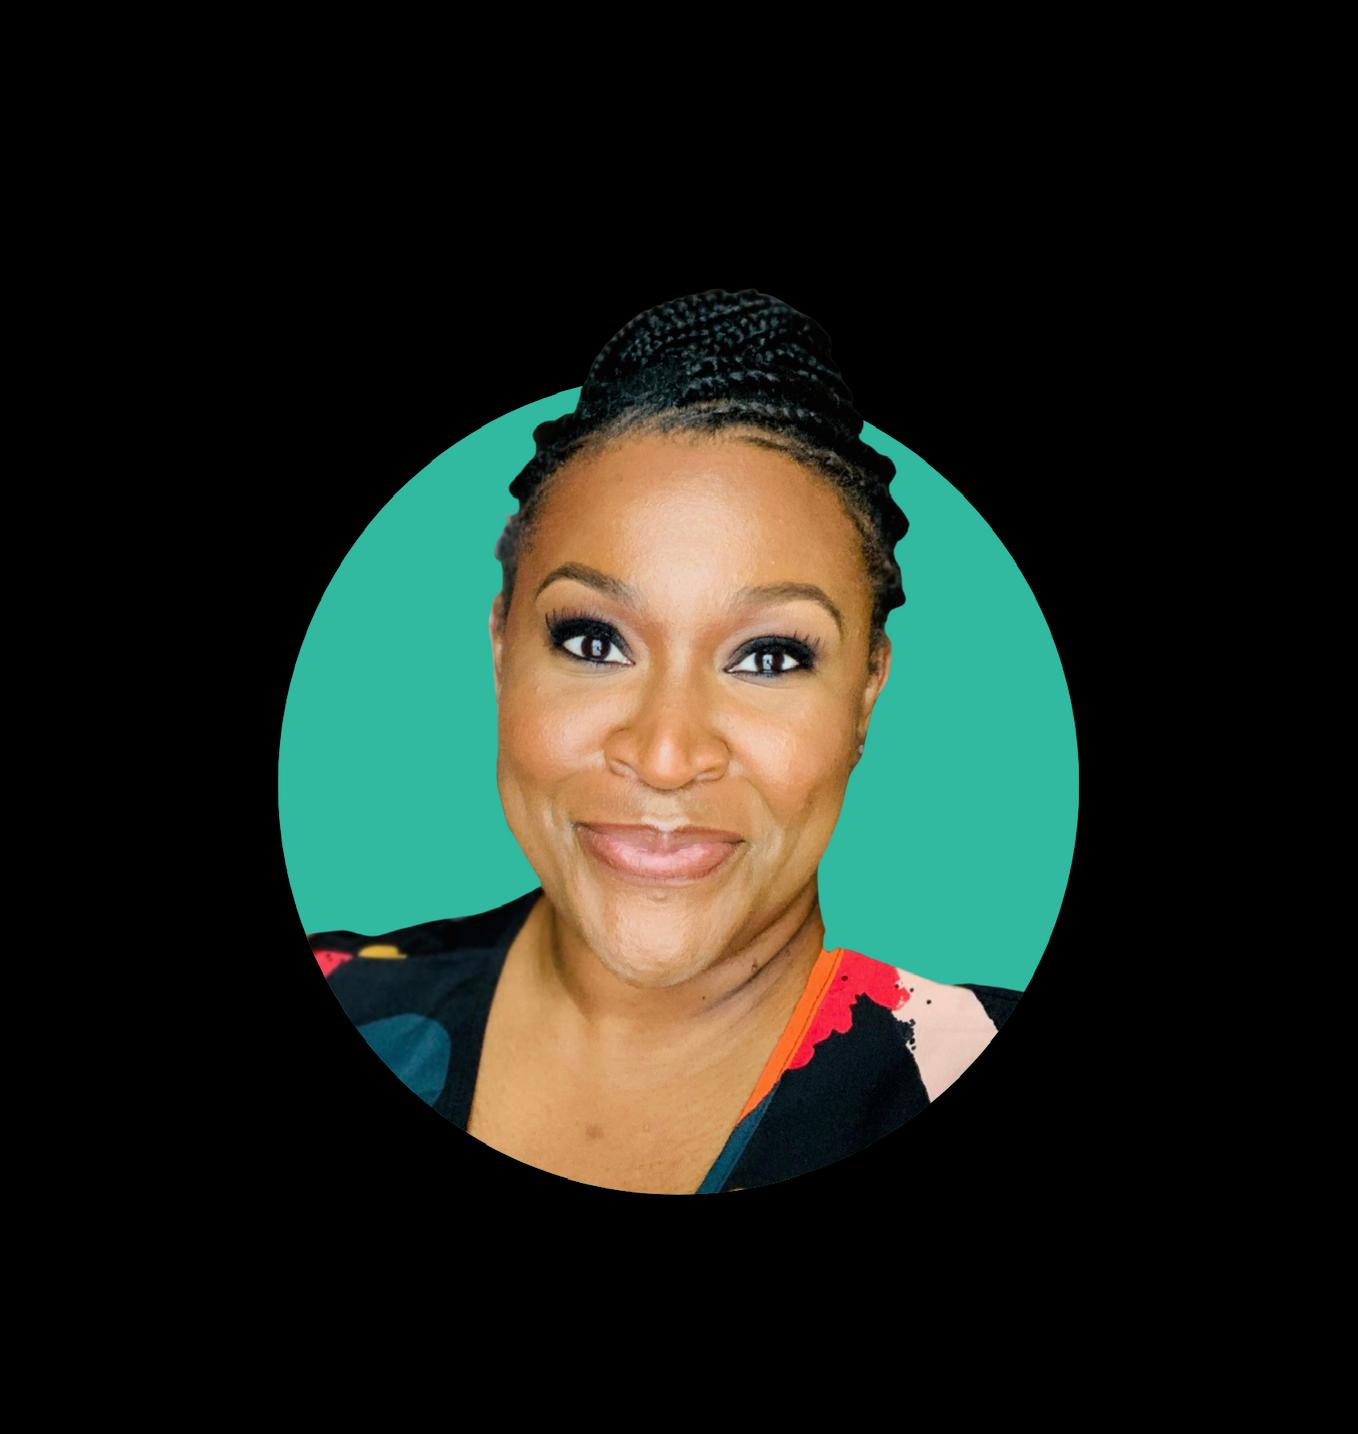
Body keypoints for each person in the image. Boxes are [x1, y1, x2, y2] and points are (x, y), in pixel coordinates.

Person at [306, 287, 1022, 1195]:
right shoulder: (347, 994)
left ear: (866, 693)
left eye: (769, 656)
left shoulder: (954, 1059)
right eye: (594, 642)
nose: (665, 756)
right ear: (501, 651)